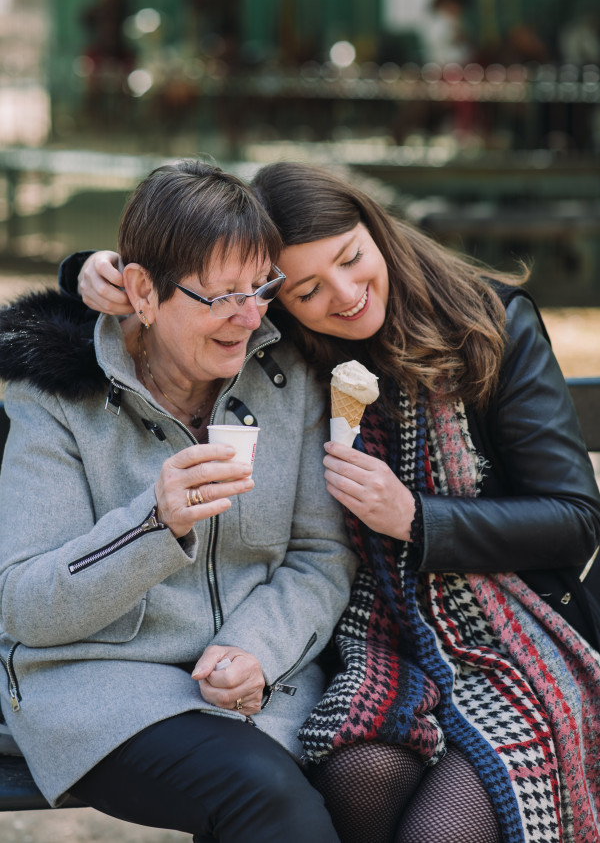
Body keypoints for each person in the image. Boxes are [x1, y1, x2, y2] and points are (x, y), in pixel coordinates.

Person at [62, 160, 600, 843]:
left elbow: (575, 519)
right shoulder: (281, 352)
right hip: (370, 642)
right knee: (358, 778)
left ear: (375, 228)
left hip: (510, 641)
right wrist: (82, 273)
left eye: (351, 259)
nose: (345, 295)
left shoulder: (488, 323)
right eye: (309, 288)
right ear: (275, 300)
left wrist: (415, 519)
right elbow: (177, 283)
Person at [0, 161, 359, 843]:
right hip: (100, 688)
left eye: (259, 289)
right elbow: (23, 602)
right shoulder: (57, 396)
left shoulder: (287, 380)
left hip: (259, 684)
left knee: (372, 781)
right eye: (221, 297)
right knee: (267, 798)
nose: (249, 318)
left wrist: (256, 649)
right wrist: (152, 524)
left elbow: (320, 554)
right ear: (142, 291)